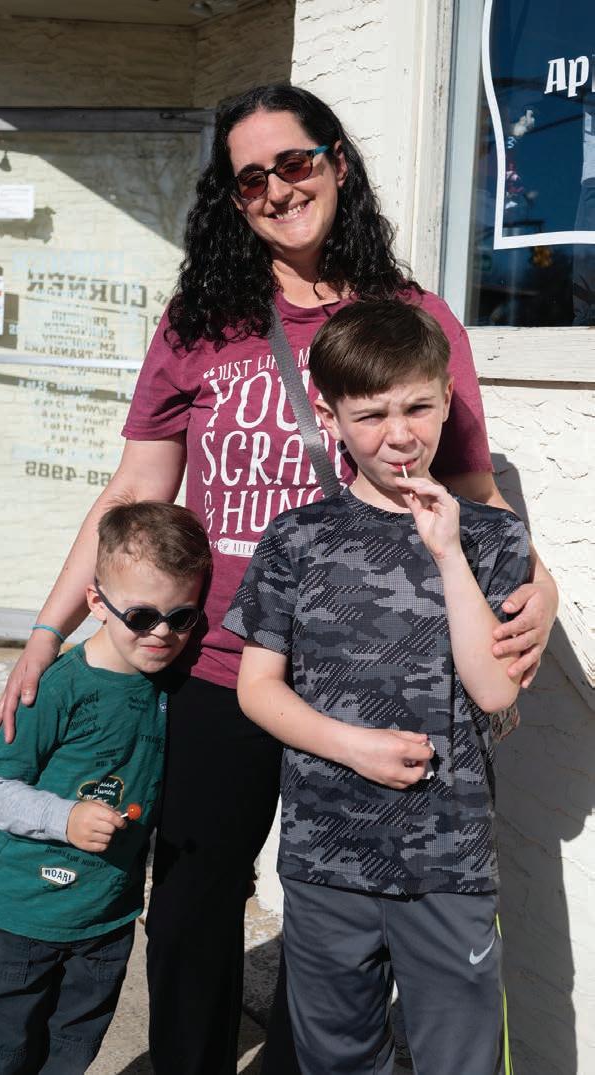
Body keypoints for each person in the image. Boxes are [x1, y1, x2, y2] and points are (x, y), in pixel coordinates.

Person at [0, 84, 557, 1075]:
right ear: (233, 199)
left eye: (294, 163)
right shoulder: (201, 324)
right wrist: (46, 631)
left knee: (338, 917)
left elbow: (472, 488)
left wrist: (536, 584)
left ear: (336, 162)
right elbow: (135, 490)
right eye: (250, 178)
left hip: (377, 674)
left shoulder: (413, 320)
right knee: (193, 906)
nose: (277, 189)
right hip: (222, 664)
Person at [225, 299, 531, 1075]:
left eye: (417, 407)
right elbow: (257, 687)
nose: (398, 434)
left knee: (459, 1060)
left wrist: (447, 551)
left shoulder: (492, 536)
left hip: (449, 865)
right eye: (370, 415)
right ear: (329, 416)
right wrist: (350, 745)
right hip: (325, 858)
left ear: (446, 398)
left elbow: (494, 690)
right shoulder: (295, 539)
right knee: (336, 1059)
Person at [0, 501, 211, 1073]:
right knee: (4, 1051)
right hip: (25, 915)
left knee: (74, 1049)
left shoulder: (167, 687)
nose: (162, 633)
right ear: (97, 602)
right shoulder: (55, 688)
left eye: (182, 618)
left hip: (106, 919)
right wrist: (66, 818)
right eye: (142, 616)